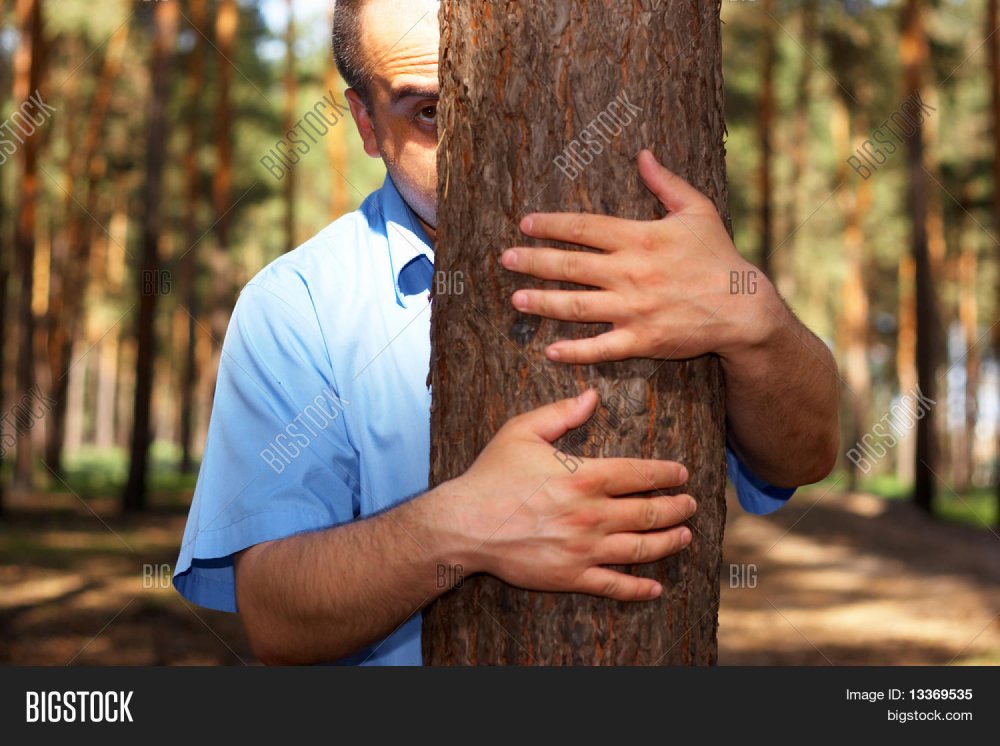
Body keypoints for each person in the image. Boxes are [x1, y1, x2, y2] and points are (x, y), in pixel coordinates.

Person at [173, 0, 840, 665]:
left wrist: (757, 323)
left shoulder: (653, 249)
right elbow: (275, 618)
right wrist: (457, 528)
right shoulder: (298, 305)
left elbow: (803, 458)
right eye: (431, 111)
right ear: (367, 124)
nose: (478, 140)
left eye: (495, 89)